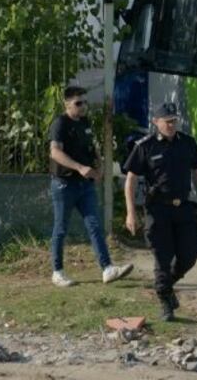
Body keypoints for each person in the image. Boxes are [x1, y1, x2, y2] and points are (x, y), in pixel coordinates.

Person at [123, 102, 197, 322]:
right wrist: (131, 213)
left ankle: (166, 286)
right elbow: (131, 180)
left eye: (174, 121)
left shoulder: (187, 143)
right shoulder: (146, 146)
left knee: (190, 253)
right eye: (167, 121)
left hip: (182, 207)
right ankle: (165, 302)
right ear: (156, 122)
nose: (172, 125)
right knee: (162, 257)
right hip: (158, 209)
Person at [48, 85, 134, 287]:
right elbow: (55, 153)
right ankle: (57, 271)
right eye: (78, 103)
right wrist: (79, 167)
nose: (83, 106)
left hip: (84, 185)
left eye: (85, 102)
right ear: (67, 104)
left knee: (95, 224)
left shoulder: (85, 122)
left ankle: (107, 268)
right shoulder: (60, 123)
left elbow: (92, 146)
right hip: (64, 184)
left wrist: (99, 165)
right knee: (61, 228)